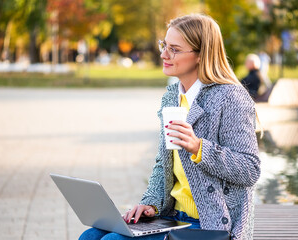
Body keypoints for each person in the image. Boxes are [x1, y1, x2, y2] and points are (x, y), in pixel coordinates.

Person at [79, 14, 260, 240]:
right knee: (90, 236)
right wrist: (151, 204)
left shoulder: (231, 97)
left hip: (211, 224)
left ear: (200, 55)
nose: (164, 54)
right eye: (164, 45)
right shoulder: (172, 97)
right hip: (174, 217)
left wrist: (199, 148)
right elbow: (163, 164)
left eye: (174, 49)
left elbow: (250, 169)